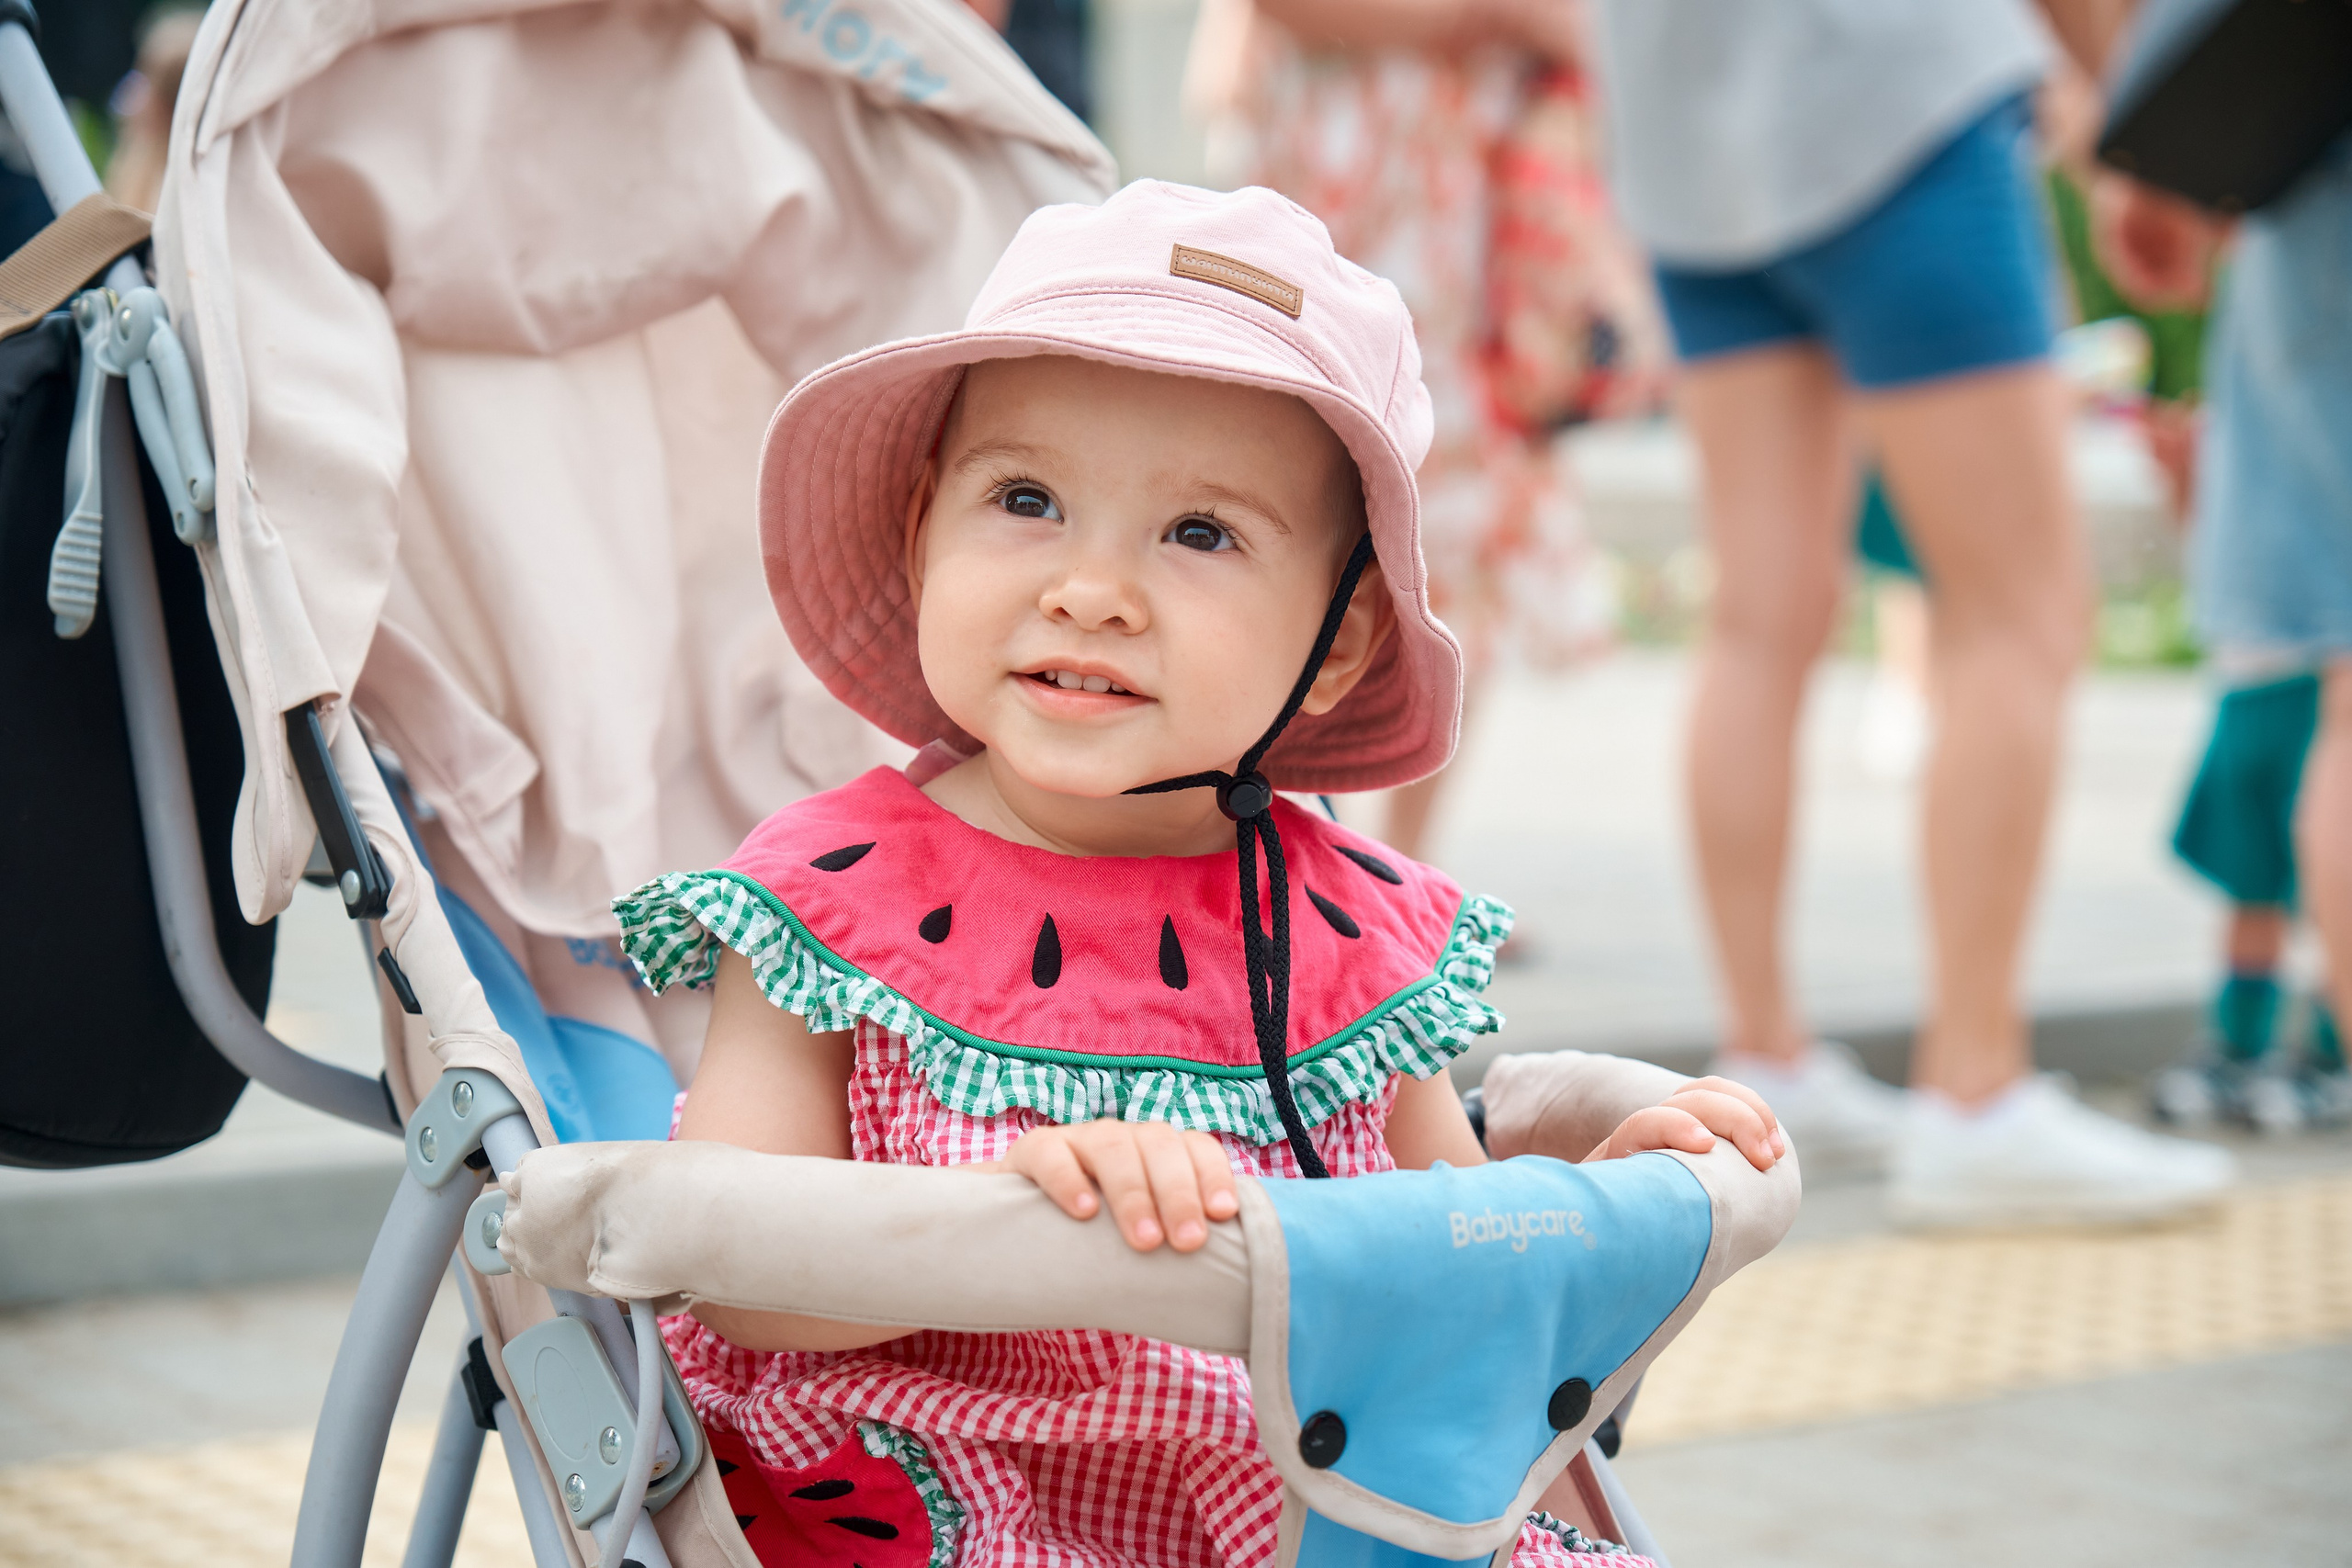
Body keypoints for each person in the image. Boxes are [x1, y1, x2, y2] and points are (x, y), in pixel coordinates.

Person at [613, 182, 1785, 1568]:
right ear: (925, 529)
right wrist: (1017, 1216)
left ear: (1338, 641)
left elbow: (1448, 1256)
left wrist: (1588, 1218)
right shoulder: (822, 892)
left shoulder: (1359, 936)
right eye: (1027, 500)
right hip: (943, 1483)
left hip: (1308, 1499)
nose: (1090, 588)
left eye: (1200, 532)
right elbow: (729, 1262)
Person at [1580, 0, 2235, 1224]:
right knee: (2019, 610)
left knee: (1759, 617)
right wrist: (2145, 138)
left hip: (1689, 144)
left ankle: (1766, 1059)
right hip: (1896, 101)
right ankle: (1975, 1090)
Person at [1189, 0, 1669, 864]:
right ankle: (1255, 830)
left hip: (1462, 191)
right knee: (1274, 484)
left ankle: (1402, 858)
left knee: (1452, 517)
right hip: (1332, 161)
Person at [2098, 130, 2352, 1140]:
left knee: (2280, 844)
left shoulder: (2270, 237)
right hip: (2261, 644)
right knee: (2260, 853)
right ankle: (2261, 1042)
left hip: (2274, 636)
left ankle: (2313, 1044)